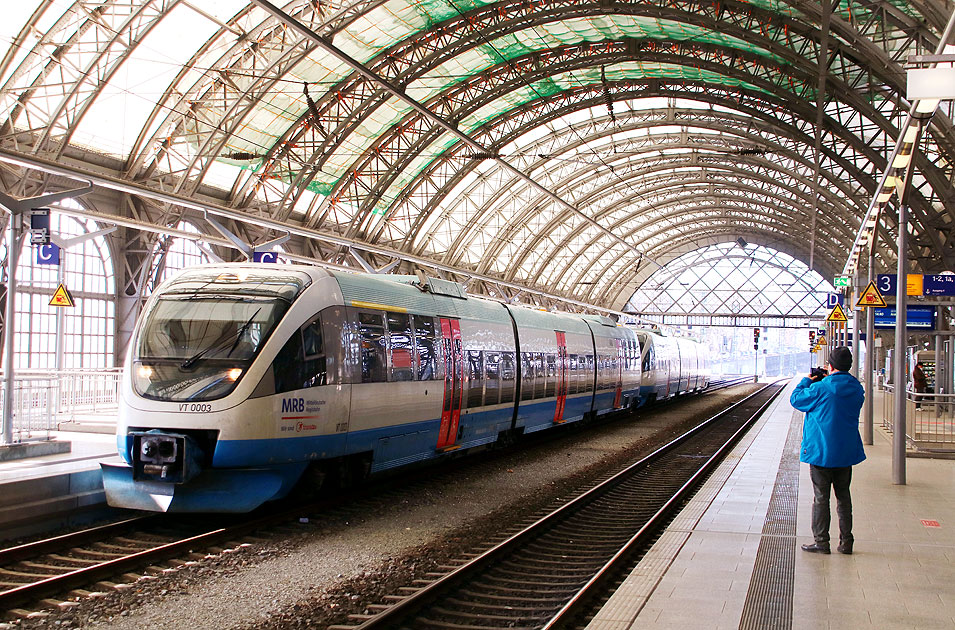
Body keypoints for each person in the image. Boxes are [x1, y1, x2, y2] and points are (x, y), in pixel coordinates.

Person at [790, 346, 866, 555]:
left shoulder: (820, 388)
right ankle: (846, 542)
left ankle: (822, 542)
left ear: (830, 366)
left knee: (821, 498)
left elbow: (796, 399)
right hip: (845, 452)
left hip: (821, 452)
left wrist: (807, 380)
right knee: (844, 496)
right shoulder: (857, 389)